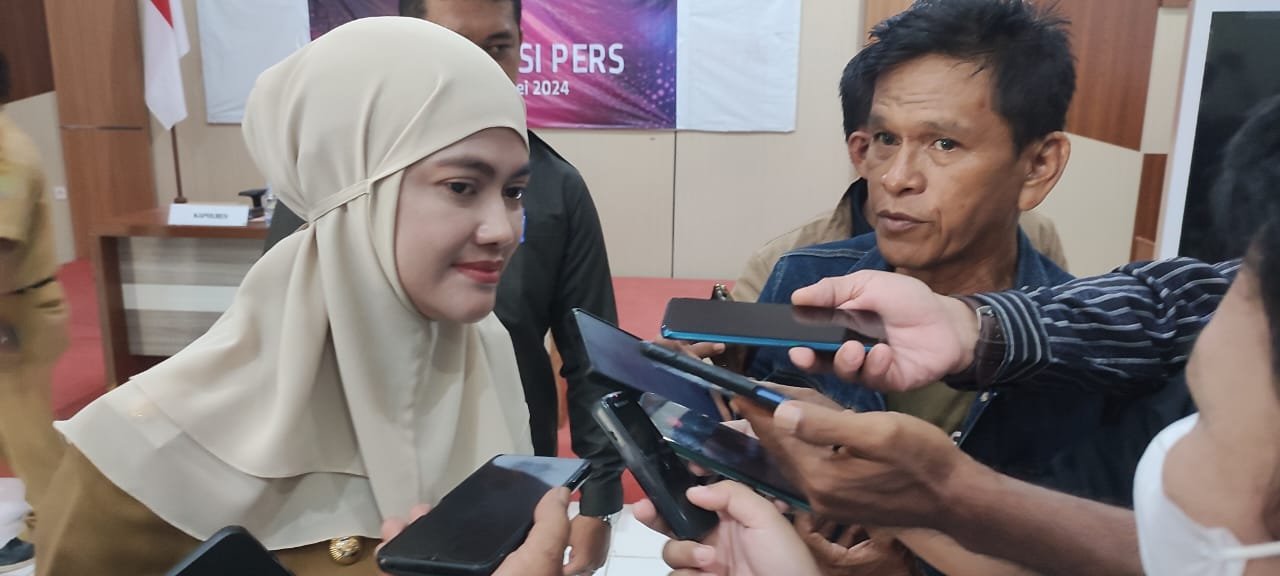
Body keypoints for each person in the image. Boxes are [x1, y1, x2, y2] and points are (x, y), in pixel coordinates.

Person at [34, 18, 568, 575]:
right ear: (353, 192)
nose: (503, 229)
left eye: (514, 192)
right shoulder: (138, 459)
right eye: (461, 186)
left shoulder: (488, 361)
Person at [721, 94, 1280, 575]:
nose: (896, 178)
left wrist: (931, 504)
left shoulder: (1097, 388)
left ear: (1038, 164)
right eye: (885, 139)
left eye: (945, 144)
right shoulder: (804, 272)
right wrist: (975, 327)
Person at [270, 4, 623, 569]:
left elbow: (592, 354)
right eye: (460, 188)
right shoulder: (336, 181)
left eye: (498, 49)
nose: (497, 228)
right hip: (339, 486)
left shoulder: (558, 186)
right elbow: (279, 335)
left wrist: (599, 501)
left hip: (507, 477)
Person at [0, 50, 68, 572]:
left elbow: (2, 245)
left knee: (28, 435)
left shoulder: (7, 156)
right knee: (16, 429)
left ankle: (56, 529)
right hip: (13, 306)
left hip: (16, 311)